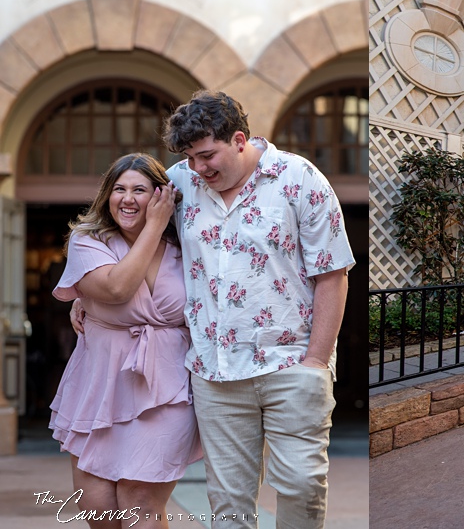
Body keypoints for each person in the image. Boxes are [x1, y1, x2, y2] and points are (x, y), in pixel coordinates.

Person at [75, 90, 354, 528]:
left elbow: (332, 274)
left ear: (239, 139)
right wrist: (85, 299)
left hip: (290, 364)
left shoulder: (299, 179)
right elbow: (123, 228)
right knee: (228, 505)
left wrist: (316, 361)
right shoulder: (181, 183)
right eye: (190, 157)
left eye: (207, 155)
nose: (199, 168)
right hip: (214, 373)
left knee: (302, 484)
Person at [51, 153, 203, 529]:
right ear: (107, 195)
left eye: (140, 189)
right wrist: (154, 226)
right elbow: (117, 288)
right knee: (100, 509)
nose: (128, 198)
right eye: (119, 189)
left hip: (166, 389)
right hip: (99, 383)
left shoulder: (188, 243)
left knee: (139, 506)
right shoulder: (88, 241)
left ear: (160, 197)